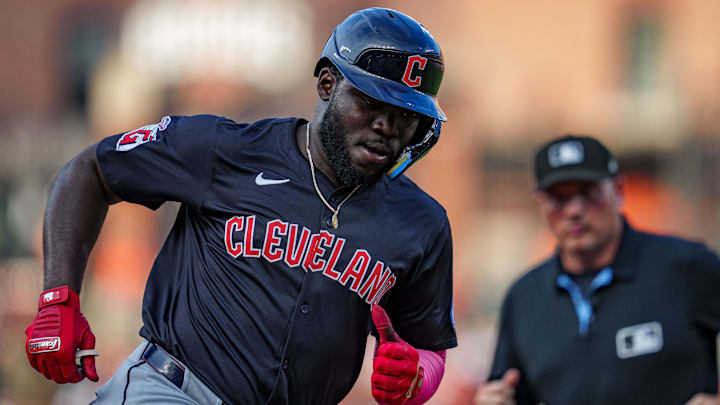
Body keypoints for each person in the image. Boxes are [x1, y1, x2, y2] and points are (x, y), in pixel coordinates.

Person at [24, 8, 457, 405]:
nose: (386, 126)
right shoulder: (226, 149)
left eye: (405, 113)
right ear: (328, 84)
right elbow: (91, 170)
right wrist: (59, 299)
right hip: (173, 390)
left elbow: (427, 346)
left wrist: (416, 376)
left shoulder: (421, 223)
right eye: (371, 102)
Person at [474, 135, 720, 405]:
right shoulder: (524, 297)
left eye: (588, 192)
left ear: (618, 191)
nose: (575, 210)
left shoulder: (685, 267)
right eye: (558, 198)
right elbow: (509, 393)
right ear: (539, 203)